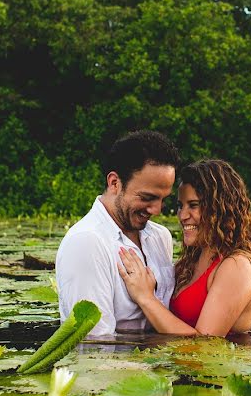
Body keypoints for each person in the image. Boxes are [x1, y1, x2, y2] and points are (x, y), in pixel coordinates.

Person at [118, 159, 251, 336]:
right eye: (180, 206)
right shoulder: (189, 262)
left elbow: (205, 343)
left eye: (194, 205)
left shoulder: (238, 266)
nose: (183, 216)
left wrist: (145, 298)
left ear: (221, 208)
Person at [56, 130, 180, 336]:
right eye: (147, 197)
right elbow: (94, 344)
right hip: (118, 367)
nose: (157, 210)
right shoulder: (86, 243)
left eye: (163, 199)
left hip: (161, 363)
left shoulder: (160, 237)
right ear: (114, 183)